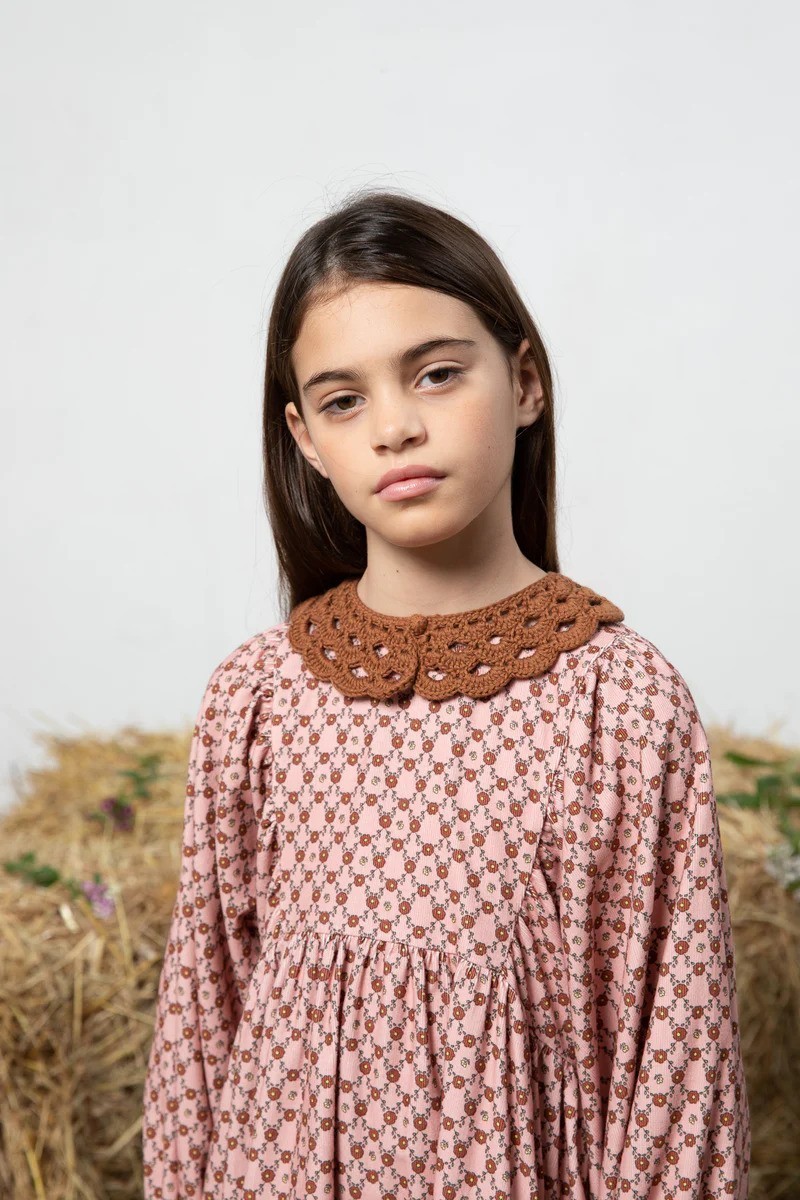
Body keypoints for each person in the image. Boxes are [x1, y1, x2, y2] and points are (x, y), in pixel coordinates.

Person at [141, 189, 751, 1199]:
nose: (394, 427)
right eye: (343, 400)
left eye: (434, 373)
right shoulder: (258, 696)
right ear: (304, 437)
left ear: (524, 382)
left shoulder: (621, 703)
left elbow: (676, 1070)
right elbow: (201, 1027)